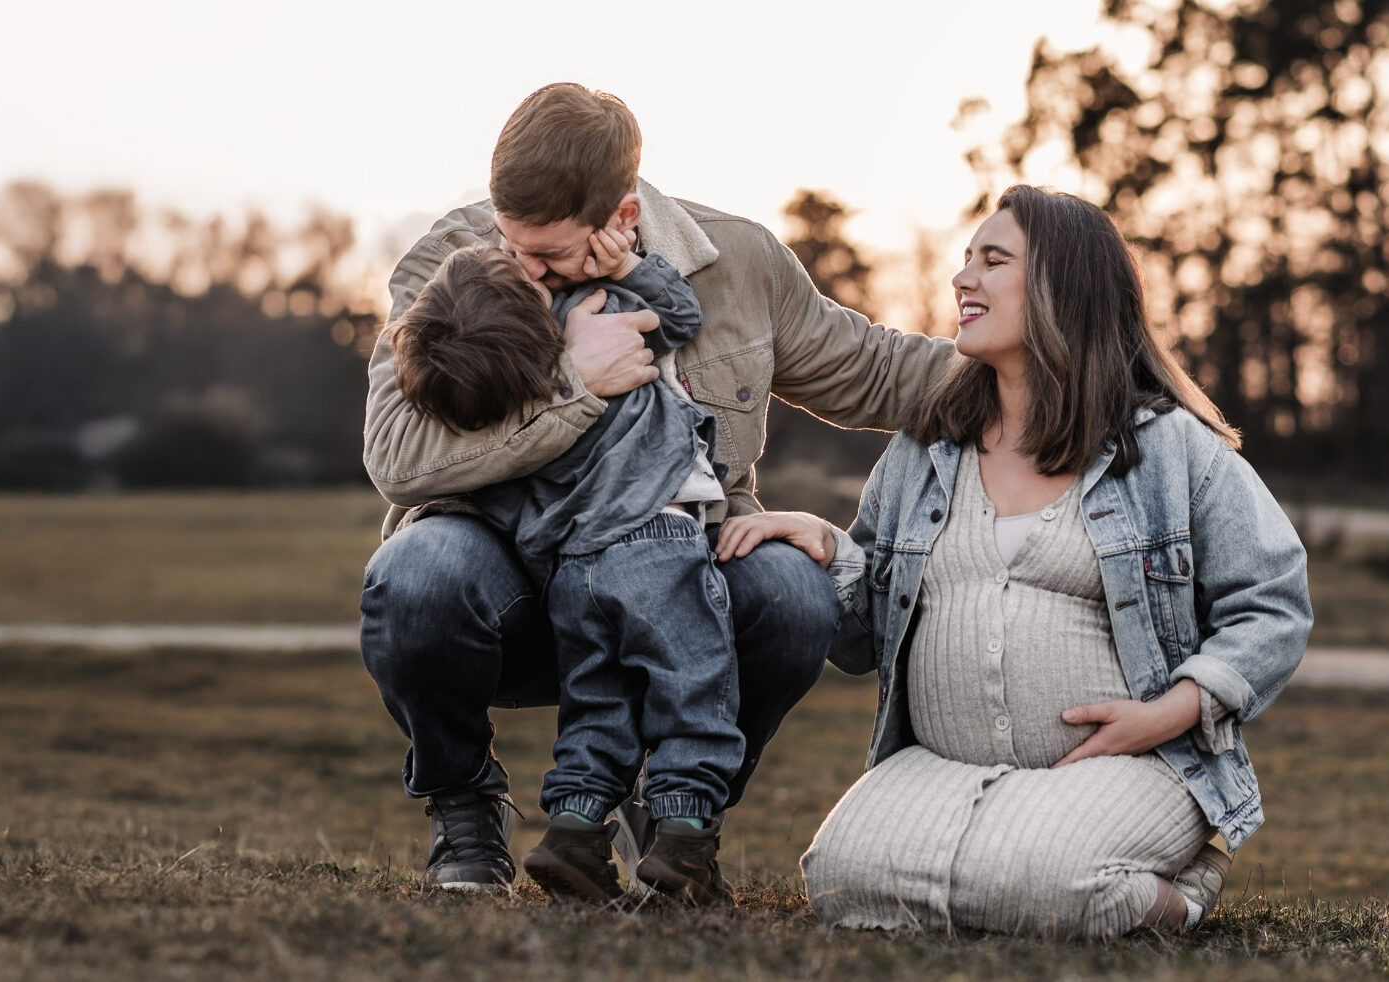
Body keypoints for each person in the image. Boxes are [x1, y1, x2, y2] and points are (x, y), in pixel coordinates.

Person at [358, 82, 956, 895]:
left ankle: (674, 817)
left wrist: (1080, 367)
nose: (522, 272)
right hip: (504, 570)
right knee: (414, 575)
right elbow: (397, 454)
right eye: (511, 243)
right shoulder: (450, 260)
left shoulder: (738, 262)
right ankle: (464, 804)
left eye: (548, 257)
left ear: (623, 218)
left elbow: (884, 372)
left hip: (674, 567)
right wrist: (577, 382)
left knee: (793, 594)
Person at [718, 185, 1311, 938]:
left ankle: (1182, 893)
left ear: (1063, 285)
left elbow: (1273, 602)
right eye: (966, 259)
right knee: (839, 879)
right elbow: (863, 639)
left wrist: (1173, 711)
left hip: (1131, 764)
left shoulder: (1169, 448)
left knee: (1054, 880)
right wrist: (833, 550)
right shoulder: (926, 447)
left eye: (992, 261)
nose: (962, 278)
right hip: (942, 764)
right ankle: (1013, 873)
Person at [386, 231, 743, 906]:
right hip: (656, 536)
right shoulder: (585, 315)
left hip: (572, 569)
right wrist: (627, 264)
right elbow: (680, 317)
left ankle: (576, 833)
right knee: (694, 683)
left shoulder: (502, 395)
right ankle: (686, 842)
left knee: (599, 700)